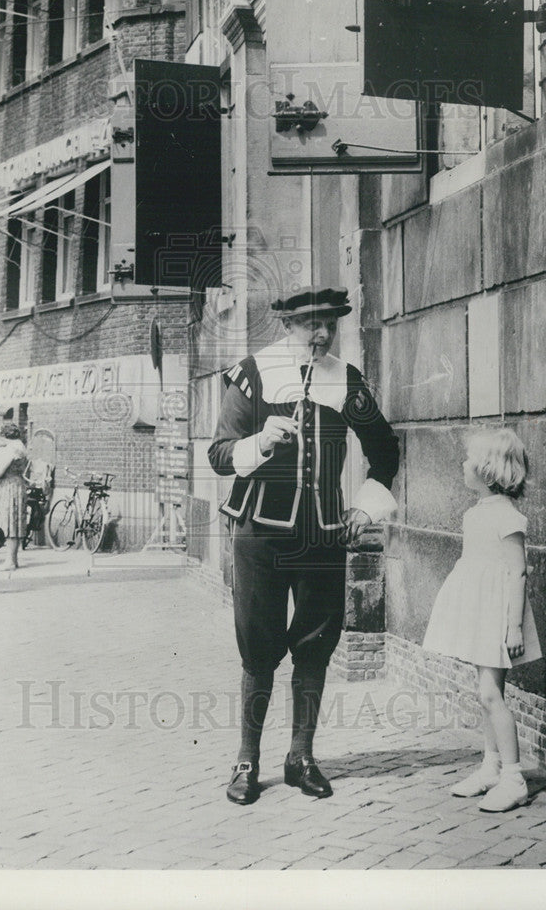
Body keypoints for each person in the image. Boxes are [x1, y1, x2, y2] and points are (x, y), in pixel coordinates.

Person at [208, 287, 399, 805]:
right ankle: (247, 761)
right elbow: (219, 454)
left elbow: (384, 449)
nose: (320, 334)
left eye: (329, 324)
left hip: (321, 537)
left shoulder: (346, 379)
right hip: (260, 535)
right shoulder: (252, 374)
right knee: (258, 651)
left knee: (315, 645)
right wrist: (259, 441)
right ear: (287, 326)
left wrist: (365, 506)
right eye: (310, 324)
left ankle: (301, 757)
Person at [422, 428, 542, 813]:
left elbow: (518, 572)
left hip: (497, 615)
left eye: (467, 459)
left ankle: (513, 777)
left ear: (488, 469)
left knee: (492, 695)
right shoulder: (475, 513)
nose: (461, 465)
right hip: (479, 610)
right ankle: (491, 766)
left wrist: (513, 626)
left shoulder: (507, 516)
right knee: (485, 694)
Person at [0, 422, 28, 573]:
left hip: (8, 486)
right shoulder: (21, 447)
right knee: (15, 522)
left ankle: (9, 560)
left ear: (4, 435)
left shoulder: (11, 450)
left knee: (9, 521)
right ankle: (13, 559)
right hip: (18, 484)